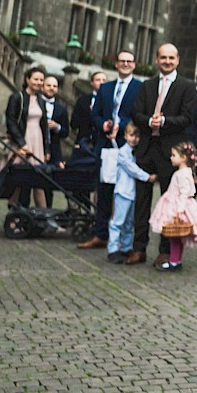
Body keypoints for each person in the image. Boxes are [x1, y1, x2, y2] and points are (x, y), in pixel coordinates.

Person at [129, 43, 197, 268]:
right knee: (141, 202)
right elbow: (136, 112)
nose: (167, 61)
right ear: (156, 60)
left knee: (171, 203)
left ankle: (165, 251)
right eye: (163, 57)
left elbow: (189, 117)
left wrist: (165, 121)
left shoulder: (187, 86)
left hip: (172, 153)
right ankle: (138, 248)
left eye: (171, 58)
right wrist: (149, 121)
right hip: (147, 149)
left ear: (177, 60)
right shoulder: (147, 85)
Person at [80, 51, 142, 249]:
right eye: (122, 61)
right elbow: (95, 114)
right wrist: (103, 124)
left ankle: (125, 239)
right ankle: (100, 234)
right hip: (105, 145)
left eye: (129, 61)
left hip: (127, 145)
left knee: (125, 192)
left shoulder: (140, 88)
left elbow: (140, 114)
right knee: (103, 190)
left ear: (134, 65)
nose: (125, 64)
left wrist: (121, 124)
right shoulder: (105, 88)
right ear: (116, 64)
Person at [148, 142, 197, 271]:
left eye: (174, 155)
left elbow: (184, 193)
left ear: (183, 158)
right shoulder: (182, 172)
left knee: (175, 237)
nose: (171, 157)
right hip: (174, 203)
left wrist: (178, 211)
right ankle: (176, 260)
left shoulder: (183, 174)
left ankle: (174, 261)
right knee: (176, 237)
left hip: (177, 207)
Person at [107, 123, 157, 264]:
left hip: (133, 193)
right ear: (125, 136)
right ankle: (112, 249)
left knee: (129, 223)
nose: (134, 139)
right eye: (131, 135)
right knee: (118, 222)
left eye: (137, 136)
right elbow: (132, 169)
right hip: (123, 192)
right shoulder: (122, 152)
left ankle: (126, 247)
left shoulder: (138, 152)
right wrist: (147, 177)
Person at [3, 66, 51, 211]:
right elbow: (10, 121)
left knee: (38, 180)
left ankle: (45, 217)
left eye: (41, 80)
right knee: (18, 179)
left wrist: (46, 149)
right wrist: (21, 143)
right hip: (22, 142)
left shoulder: (41, 100)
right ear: (27, 79)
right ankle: (13, 216)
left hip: (37, 142)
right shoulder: (17, 97)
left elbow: (44, 126)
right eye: (35, 79)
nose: (38, 82)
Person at [71, 71, 106, 144]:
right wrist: (89, 113)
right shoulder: (83, 100)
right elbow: (74, 123)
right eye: (98, 80)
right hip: (83, 140)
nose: (101, 82)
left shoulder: (111, 101)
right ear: (92, 83)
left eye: (104, 80)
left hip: (102, 142)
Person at [42, 76, 69, 169]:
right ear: (42, 87)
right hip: (36, 145)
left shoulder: (61, 109)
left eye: (54, 86)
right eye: (48, 85)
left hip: (54, 150)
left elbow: (66, 132)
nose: (51, 88)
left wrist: (57, 127)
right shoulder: (35, 103)